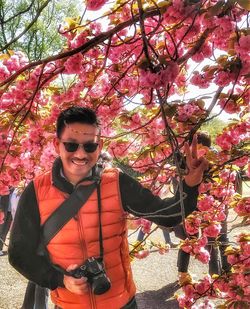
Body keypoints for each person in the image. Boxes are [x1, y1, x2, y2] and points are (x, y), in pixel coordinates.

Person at [8, 106, 208, 309]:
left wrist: (190, 183)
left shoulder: (117, 182)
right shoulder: (36, 191)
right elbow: (19, 254)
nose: (80, 154)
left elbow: (168, 215)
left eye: (89, 146)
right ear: (56, 144)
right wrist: (60, 279)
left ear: (100, 145)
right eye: (71, 146)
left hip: (122, 303)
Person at [0, 188, 20, 256]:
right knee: (1, 228)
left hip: (10, 210)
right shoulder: (3, 184)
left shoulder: (17, 186)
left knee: (5, 230)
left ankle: (0, 247)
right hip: (3, 209)